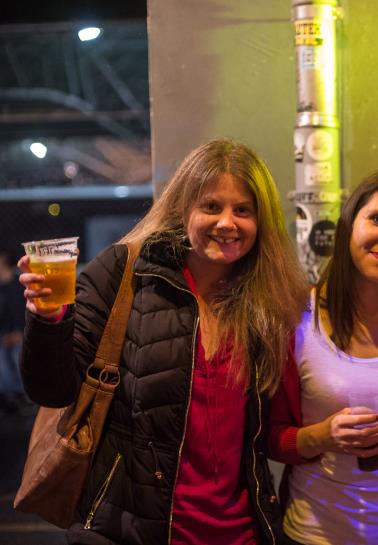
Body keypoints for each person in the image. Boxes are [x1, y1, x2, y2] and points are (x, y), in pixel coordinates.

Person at [18, 139, 309, 545]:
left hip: (241, 533)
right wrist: (49, 320)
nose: (227, 222)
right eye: (212, 206)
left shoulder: (267, 301)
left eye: (243, 210)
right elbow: (52, 390)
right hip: (136, 532)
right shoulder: (124, 272)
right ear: (184, 208)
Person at [268, 170, 378, 545]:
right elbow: (266, 436)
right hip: (315, 534)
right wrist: (321, 436)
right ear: (349, 225)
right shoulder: (297, 317)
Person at [0, 251, 25, 414]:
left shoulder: (20, 285)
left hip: (22, 332)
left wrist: (20, 333)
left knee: (19, 355)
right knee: (2, 358)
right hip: (4, 334)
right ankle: (9, 397)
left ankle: (24, 396)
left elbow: (25, 313)